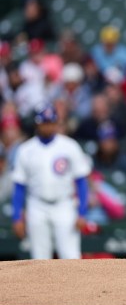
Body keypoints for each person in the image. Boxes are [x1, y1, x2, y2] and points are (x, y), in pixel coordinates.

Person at [11, 104, 92, 259]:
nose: (48, 126)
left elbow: (81, 181)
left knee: (71, 256)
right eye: (44, 123)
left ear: (56, 123)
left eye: (51, 122)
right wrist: (17, 217)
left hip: (64, 205)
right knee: (40, 258)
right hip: (37, 205)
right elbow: (19, 186)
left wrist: (82, 212)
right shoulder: (26, 149)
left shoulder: (69, 146)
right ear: (37, 124)